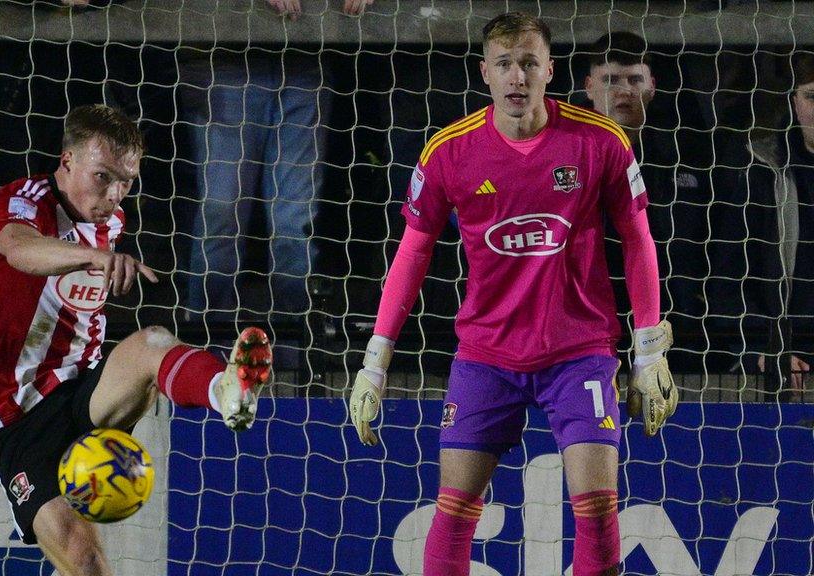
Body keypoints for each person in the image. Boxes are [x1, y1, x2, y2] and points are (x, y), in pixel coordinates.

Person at [348, 13, 678, 576]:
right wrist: (375, 361)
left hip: (579, 352)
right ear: (485, 73)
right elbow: (413, 251)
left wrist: (649, 351)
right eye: (505, 65)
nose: (517, 77)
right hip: (486, 356)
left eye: (528, 63)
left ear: (550, 69)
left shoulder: (600, 141)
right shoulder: (449, 152)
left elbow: (639, 239)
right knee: (451, 518)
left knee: (599, 520)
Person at [0, 104, 272, 576]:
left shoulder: (110, 222)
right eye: (102, 176)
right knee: (86, 563)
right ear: (67, 160)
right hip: (18, 417)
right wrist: (91, 257)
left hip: (82, 385)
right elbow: (18, 250)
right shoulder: (24, 200)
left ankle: (226, 392)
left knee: (152, 342)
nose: (113, 194)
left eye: (126, 181)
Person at [179, 0, 367, 320]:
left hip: (306, 56)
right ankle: (205, 351)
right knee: (222, 211)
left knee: (294, 219)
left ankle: (292, 351)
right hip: (224, 55)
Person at [582, 32, 714, 360]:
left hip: (675, 328)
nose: (624, 90)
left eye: (634, 79)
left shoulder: (687, 155)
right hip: (588, 327)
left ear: (652, 85)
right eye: (610, 79)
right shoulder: (565, 159)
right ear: (588, 87)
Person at [721, 52, 814, 401]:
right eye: (812, 96)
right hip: (774, 357)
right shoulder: (761, 172)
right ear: (794, 101)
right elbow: (729, 274)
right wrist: (762, 348)